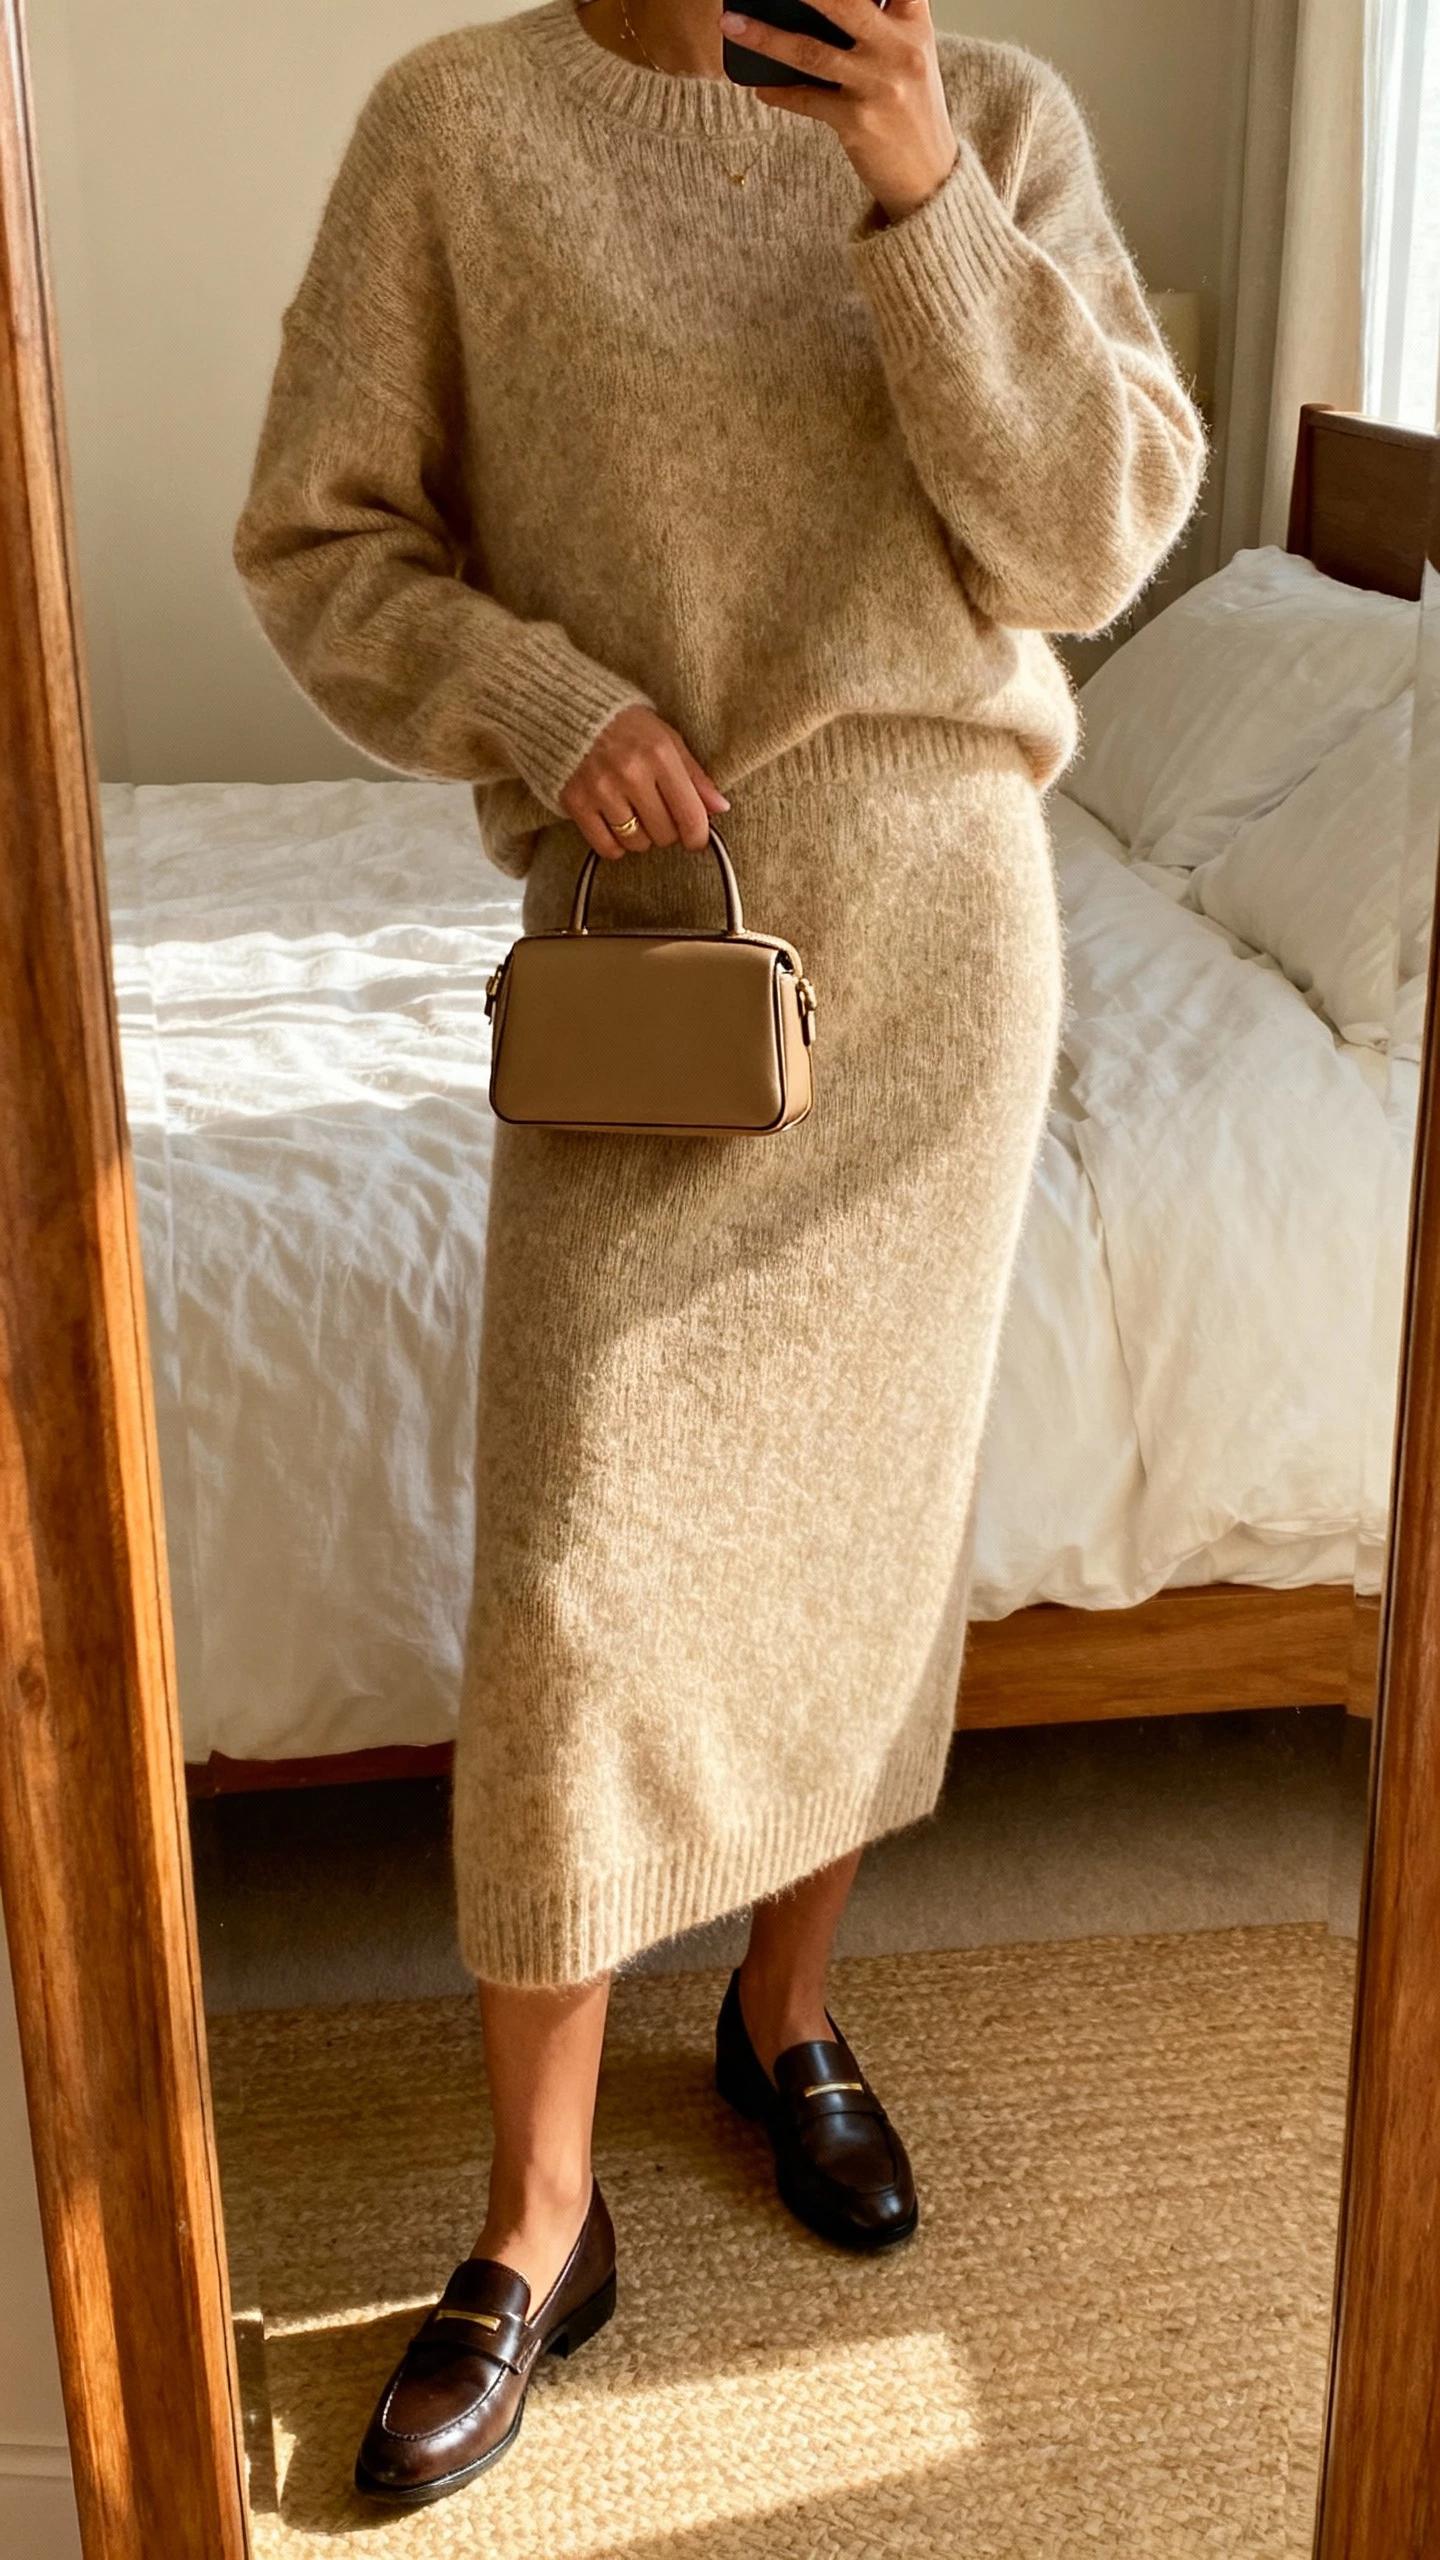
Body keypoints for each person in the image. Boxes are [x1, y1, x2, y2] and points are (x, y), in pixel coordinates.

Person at [234, 0, 1201, 2505]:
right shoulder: (455, 130)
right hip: (653, 946)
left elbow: (1095, 537)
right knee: (571, 1570)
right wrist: (534, 698)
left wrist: (918, 200)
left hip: (941, 956)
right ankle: (539, 2220)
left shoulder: (984, 114)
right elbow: (321, 539)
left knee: (864, 1532)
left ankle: (790, 2016)